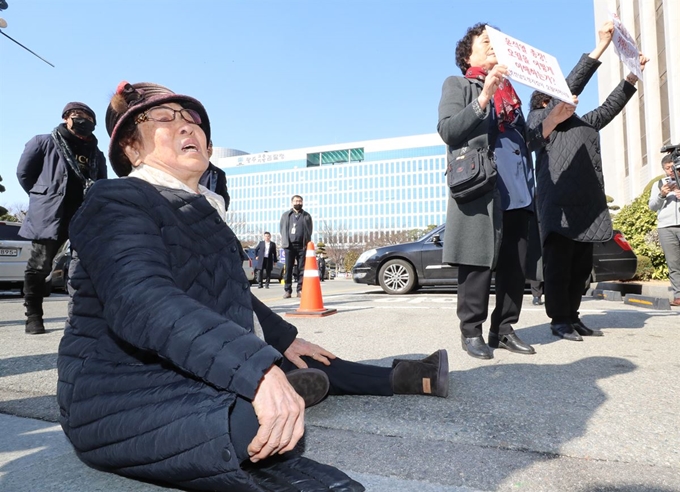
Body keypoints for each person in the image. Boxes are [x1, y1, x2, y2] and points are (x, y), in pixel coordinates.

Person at [56, 81, 447, 492]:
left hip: (184, 365)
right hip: (117, 393)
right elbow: (143, 301)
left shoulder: (202, 208)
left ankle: (407, 376)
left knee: (298, 363)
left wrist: (281, 340)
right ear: (131, 148)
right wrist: (256, 369)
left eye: (193, 119)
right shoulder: (115, 200)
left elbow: (228, 292)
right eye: (166, 119)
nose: (188, 127)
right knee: (259, 408)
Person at [437, 23, 574, 360]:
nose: (495, 48)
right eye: (487, 43)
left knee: (514, 266)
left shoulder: (510, 95)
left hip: (517, 191)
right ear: (469, 53)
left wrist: (553, 119)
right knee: (477, 264)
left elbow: (524, 141)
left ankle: (504, 329)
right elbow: (448, 130)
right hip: (481, 190)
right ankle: (472, 332)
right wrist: (484, 95)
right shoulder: (460, 84)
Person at [528, 22, 648, 341]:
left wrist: (632, 74)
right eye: (557, 99)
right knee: (559, 268)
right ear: (546, 103)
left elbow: (610, 107)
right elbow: (570, 85)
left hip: (588, 209)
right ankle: (559, 320)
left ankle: (574, 315)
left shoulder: (584, 124)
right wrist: (601, 47)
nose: (570, 101)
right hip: (559, 210)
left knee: (580, 269)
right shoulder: (542, 122)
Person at [16, 102, 107, 335]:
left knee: (81, 269)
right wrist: (44, 197)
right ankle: (33, 316)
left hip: (84, 216)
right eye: (78, 116)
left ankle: (79, 316)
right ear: (66, 118)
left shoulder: (96, 154)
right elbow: (24, 174)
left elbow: (102, 186)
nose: (83, 120)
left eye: (88, 117)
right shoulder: (43, 142)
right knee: (39, 265)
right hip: (51, 214)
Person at [648, 153, 680, 306]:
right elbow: (652, 206)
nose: (671, 171)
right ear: (664, 170)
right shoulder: (659, 184)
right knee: (673, 263)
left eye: (673, 167)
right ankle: (678, 295)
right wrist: (662, 194)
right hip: (666, 227)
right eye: (667, 168)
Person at [280, 195, 312, 298]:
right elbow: (282, 229)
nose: (298, 203)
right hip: (289, 246)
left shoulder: (306, 216)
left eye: (300, 201)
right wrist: (285, 241)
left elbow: (309, 230)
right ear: (292, 202)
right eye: (296, 201)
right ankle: (287, 290)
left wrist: (307, 241)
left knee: (301, 269)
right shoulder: (286, 215)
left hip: (302, 246)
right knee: (288, 268)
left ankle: (300, 289)